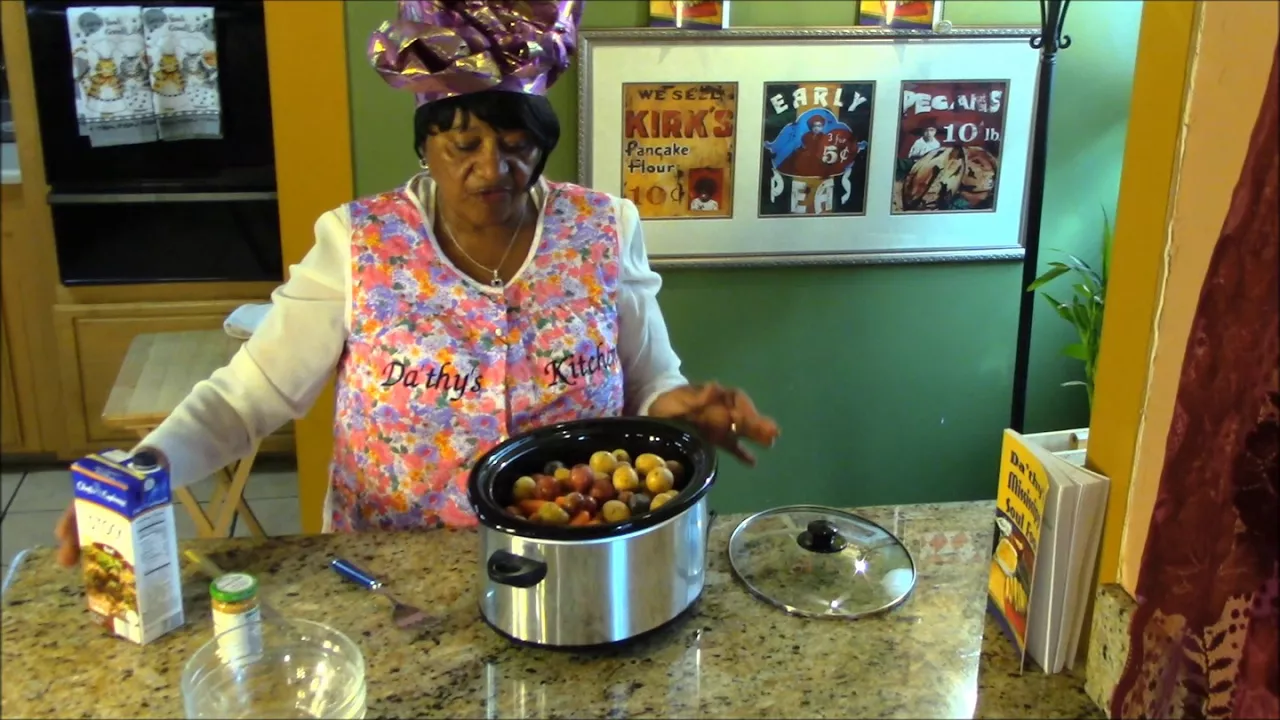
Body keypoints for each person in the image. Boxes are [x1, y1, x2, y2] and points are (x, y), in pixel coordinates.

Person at [53, 0, 778, 564]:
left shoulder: (603, 228)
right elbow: (249, 398)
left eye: (516, 144)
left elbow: (648, 376)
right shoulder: (360, 242)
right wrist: (141, 469)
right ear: (427, 142)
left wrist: (678, 404)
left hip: (576, 553)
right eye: (465, 144)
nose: (493, 168)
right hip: (391, 565)